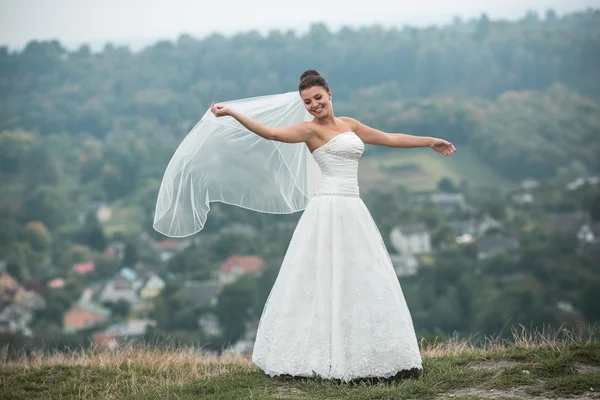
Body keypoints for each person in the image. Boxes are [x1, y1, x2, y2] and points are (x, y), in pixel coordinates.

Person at [208, 70, 455, 382]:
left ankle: (368, 357)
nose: (314, 105)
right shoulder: (308, 131)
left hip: (353, 207)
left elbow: (389, 138)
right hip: (328, 208)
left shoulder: (349, 124)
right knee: (324, 278)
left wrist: (430, 141)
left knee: (363, 276)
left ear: (329, 95)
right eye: (307, 101)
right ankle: (320, 358)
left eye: (318, 98)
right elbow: (270, 134)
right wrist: (231, 112)